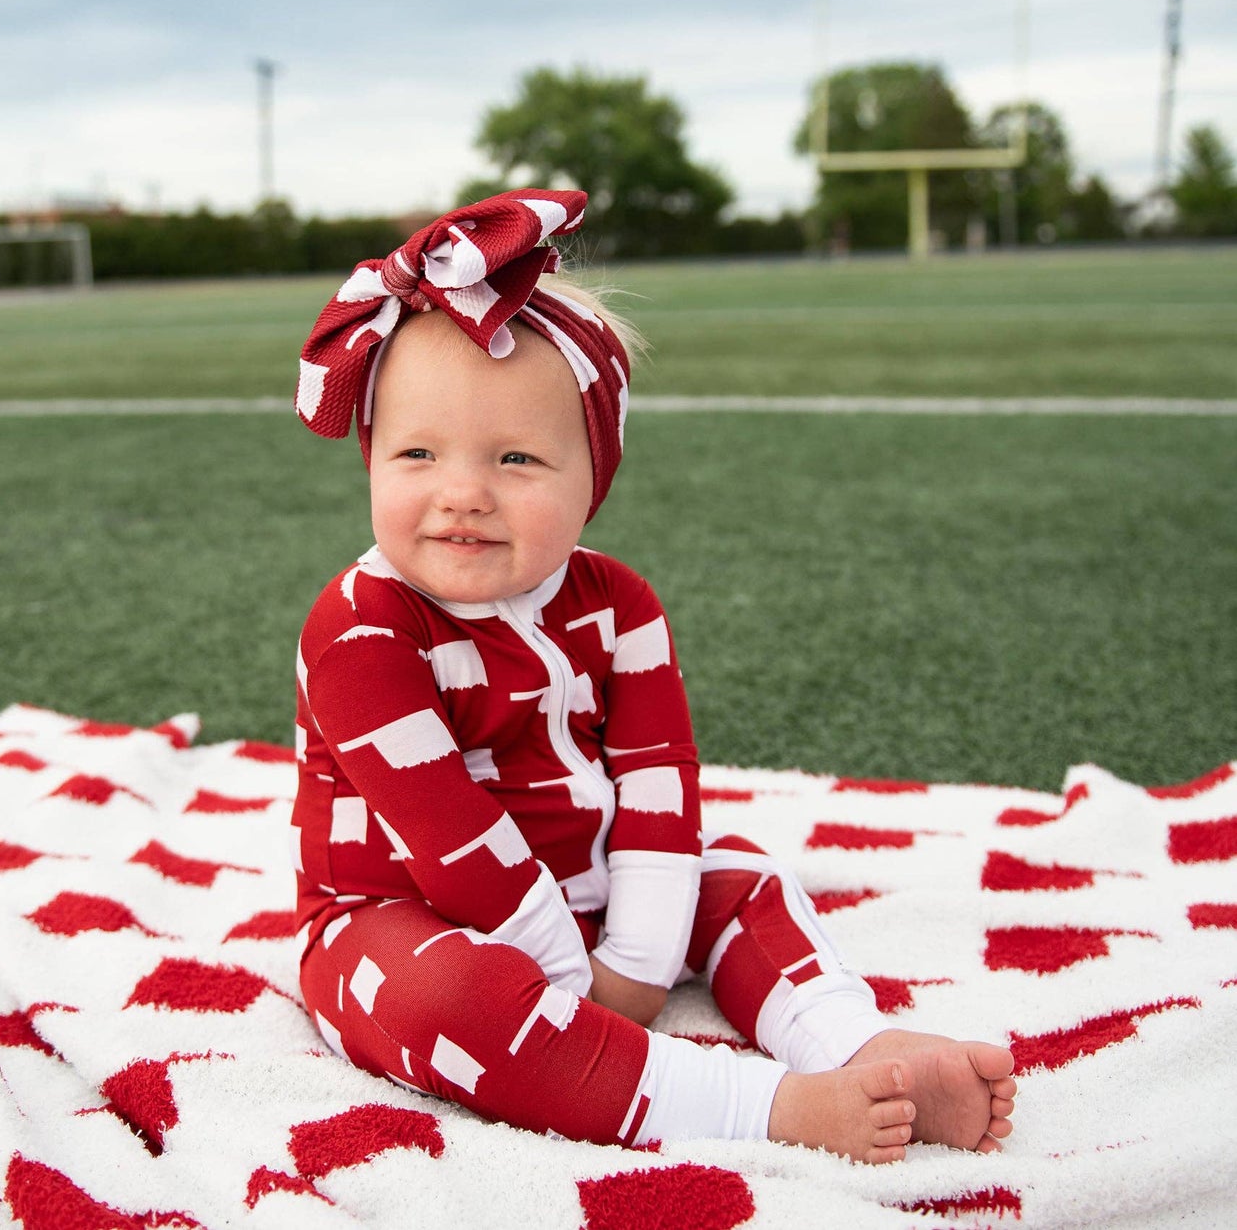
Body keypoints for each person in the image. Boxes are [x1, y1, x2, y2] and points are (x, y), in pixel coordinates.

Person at [288, 189, 1016, 1159]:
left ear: (595, 477)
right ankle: (761, 1105)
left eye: (515, 457)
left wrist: (635, 948)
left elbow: (657, 781)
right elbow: (444, 830)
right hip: (402, 908)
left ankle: (857, 1044)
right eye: (415, 452)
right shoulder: (359, 625)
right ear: (369, 457)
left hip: (587, 883)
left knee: (739, 878)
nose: (461, 491)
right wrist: (577, 974)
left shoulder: (617, 603)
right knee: (448, 998)